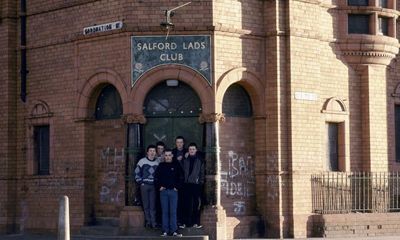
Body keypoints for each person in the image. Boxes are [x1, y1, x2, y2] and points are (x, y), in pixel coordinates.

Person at [154, 149, 184, 237]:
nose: (167, 157)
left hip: (173, 192)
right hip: (163, 192)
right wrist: (159, 187)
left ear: (172, 156)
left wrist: (177, 187)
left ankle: (174, 231)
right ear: (164, 156)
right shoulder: (161, 165)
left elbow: (181, 177)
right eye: (166, 155)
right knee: (165, 211)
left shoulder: (176, 165)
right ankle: (165, 231)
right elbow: (156, 178)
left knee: (173, 211)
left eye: (169, 155)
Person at [180, 143, 204, 229]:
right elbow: (181, 170)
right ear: (188, 150)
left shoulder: (200, 160)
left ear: (196, 150)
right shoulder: (185, 160)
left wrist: (200, 182)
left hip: (196, 185)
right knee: (186, 204)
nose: (191, 151)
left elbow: (201, 173)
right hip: (186, 185)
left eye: (193, 149)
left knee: (196, 205)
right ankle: (185, 223)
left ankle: (195, 223)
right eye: (190, 149)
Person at [134, 145, 159, 228]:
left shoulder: (157, 162)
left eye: (154, 151)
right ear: (147, 152)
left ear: (155, 153)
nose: (152, 152)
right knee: (146, 204)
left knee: (153, 205)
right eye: (150, 151)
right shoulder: (142, 161)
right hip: (144, 185)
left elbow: (160, 174)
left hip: (154, 186)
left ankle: (154, 222)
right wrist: (141, 182)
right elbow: (137, 172)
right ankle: (148, 222)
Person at [172, 136, 187, 226]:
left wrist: (186, 156)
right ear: (176, 143)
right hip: (175, 181)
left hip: (185, 181)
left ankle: (183, 221)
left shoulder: (187, 151)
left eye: (181, 142)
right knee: (175, 202)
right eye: (178, 142)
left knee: (183, 202)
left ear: (183, 143)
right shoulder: (172, 152)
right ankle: (176, 221)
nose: (179, 144)